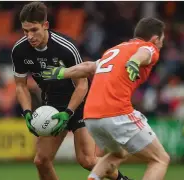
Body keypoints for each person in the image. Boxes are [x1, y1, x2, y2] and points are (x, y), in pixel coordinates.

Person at [12, 2, 131, 180]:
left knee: (87, 160)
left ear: (45, 25)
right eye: (25, 31)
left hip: (81, 104)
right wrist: (27, 112)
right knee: (41, 160)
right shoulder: (19, 50)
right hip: (52, 105)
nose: (29, 36)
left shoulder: (65, 47)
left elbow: (82, 85)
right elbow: (21, 85)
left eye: (34, 30)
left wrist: (68, 113)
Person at [42, 17, 170, 180]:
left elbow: (89, 67)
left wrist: (62, 72)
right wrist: (134, 62)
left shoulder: (114, 50)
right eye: (162, 40)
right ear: (155, 38)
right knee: (160, 159)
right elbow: (143, 53)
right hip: (116, 113)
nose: (162, 44)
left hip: (91, 117)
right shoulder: (148, 47)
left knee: (117, 154)